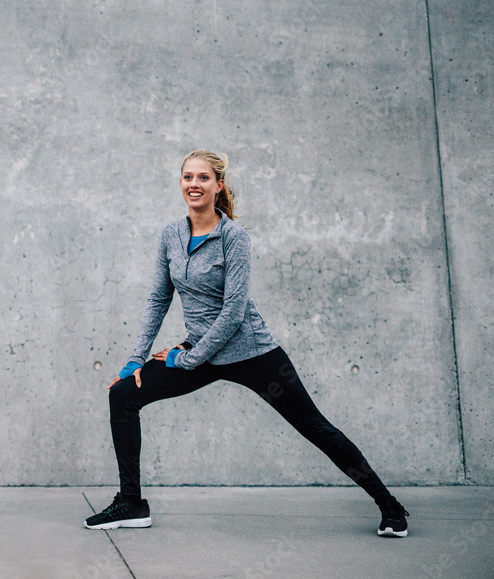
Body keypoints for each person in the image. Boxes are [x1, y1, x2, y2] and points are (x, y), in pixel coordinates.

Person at [84, 149, 409, 537]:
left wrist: (185, 359)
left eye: (203, 178)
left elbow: (234, 312)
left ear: (218, 185)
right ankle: (131, 504)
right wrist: (135, 360)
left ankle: (390, 507)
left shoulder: (233, 238)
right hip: (199, 351)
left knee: (316, 427)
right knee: (123, 393)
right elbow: (158, 299)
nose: (194, 184)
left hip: (251, 352)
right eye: (188, 177)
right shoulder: (170, 235)